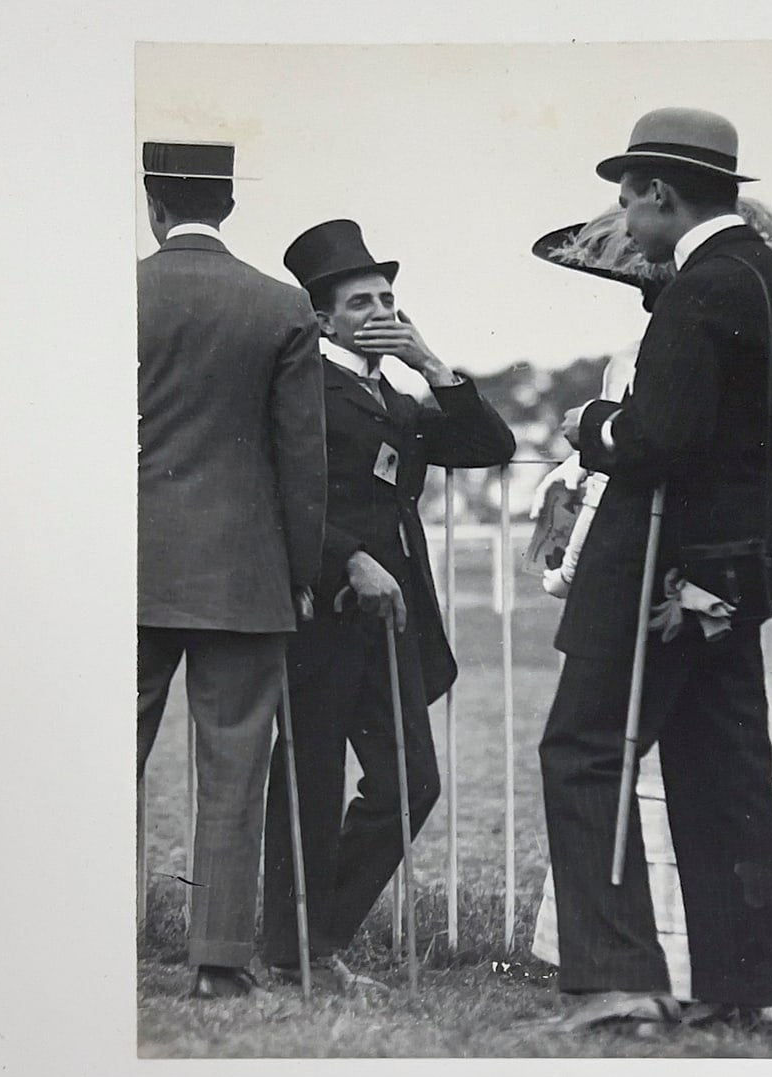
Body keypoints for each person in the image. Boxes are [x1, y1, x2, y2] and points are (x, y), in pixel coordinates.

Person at [538, 108, 772, 1028]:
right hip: (736, 578)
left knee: (585, 752)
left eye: (626, 198)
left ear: (659, 193)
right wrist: (745, 532)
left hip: (649, 567)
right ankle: (751, 986)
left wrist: (590, 427)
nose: (623, 218)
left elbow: (656, 441)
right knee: (723, 767)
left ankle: (618, 980)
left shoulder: (698, 289)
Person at [261, 220, 516, 982]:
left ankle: (313, 938)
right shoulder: (300, 382)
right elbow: (279, 487)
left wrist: (432, 362)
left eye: (390, 299)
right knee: (309, 782)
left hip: (392, 616)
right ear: (322, 317)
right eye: (362, 301)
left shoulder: (396, 398)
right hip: (324, 609)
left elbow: (489, 447)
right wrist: (349, 557)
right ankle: (295, 951)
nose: (381, 311)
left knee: (412, 783)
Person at [136, 140, 336, 999]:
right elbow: (304, 458)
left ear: (152, 204)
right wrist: (299, 568)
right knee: (233, 768)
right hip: (243, 574)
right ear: (227, 206)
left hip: (124, 566)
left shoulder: (110, 293)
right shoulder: (282, 304)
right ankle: (218, 961)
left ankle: (63, 936)